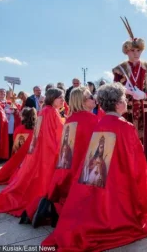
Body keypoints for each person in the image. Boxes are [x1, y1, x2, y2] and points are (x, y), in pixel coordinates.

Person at [41, 83, 147, 251]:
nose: (126, 102)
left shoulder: (100, 123)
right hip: (117, 185)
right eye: (124, 99)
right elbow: (136, 164)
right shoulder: (124, 126)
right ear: (118, 103)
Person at [0, 88, 65, 216]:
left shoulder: (45, 110)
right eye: (60, 97)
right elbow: (55, 135)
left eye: (63, 97)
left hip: (42, 151)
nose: (63, 100)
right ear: (52, 98)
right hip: (49, 152)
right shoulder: (51, 112)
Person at [29, 87, 99, 227]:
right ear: (83, 100)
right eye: (90, 96)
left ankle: (49, 209)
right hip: (81, 168)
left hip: (66, 166)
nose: (94, 98)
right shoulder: (91, 119)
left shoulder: (70, 118)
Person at [112, 17, 147, 198]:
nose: (136, 53)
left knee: (146, 152)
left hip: (146, 115)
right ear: (127, 51)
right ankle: (127, 187)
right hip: (127, 115)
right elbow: (114, 93)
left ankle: (146, 186)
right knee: (127, 151)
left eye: (139, 50)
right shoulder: (120, 70)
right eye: (133, 50)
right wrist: (124, 91)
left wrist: (144, 95)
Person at [0, 107, 37, 186]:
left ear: (23, 116)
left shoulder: (20, 129)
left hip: (22, 161)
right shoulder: (36, 129)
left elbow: (17, 149)